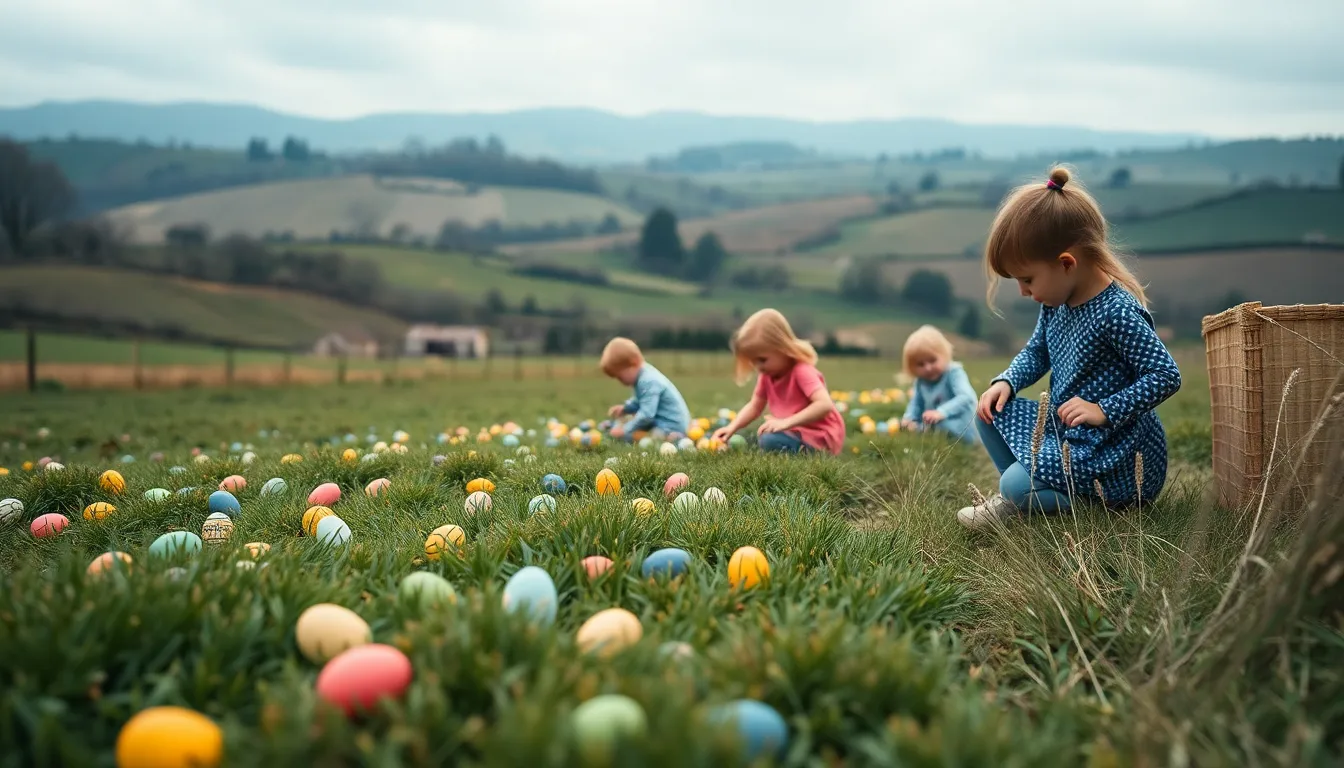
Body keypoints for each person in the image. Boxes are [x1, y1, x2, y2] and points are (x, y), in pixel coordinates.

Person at [958, 166, 1182, 530]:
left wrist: (1103, 410)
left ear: (1066, 264)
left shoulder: (1116, 312)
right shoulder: (1056, 304)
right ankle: (1027, 499)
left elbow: (1165, 375)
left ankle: (1052, 500)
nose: (1023, 292)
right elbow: (1037, 352)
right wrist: (1008, 383)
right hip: (1070, 433)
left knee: (1013, 483)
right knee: (986, 412)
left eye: (1027, 279)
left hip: (1113, 451)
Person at [711, 309, 846, 454]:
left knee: (769, 440)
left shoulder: (801, 371)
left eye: (762, 360)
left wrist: (785, 422)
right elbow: (755, 406)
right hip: (794, 431)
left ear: (782, 348)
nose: (758, 367)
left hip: (819, 438)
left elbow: (824, 405)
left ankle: (797, 452)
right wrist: (732, 427)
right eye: (753, 362)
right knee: (759, 436)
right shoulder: (767, 375)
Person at [900, 325, 980, 445]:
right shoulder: (921, 381)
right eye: (920, 364)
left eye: (932, 360)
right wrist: (909, 418)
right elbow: (916, 403)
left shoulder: (953, 372)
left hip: (962, 426)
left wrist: (941, 412)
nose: (928, 368)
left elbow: (966, 398)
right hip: (938, 425)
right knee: (914, 427)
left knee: (936, 427)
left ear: (944, 355)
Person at [601, 337, 691, 440]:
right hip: (659, 421)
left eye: (620, 376)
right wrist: (625, 408)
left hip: (671, 425)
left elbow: (647, 415)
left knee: (644, 438)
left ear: (633, 363)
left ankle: (675, 437)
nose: (619, 381)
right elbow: (640, 401)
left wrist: (624, 430)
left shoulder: (648, 381)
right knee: (631, 424)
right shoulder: (643, 375)